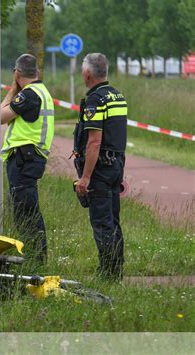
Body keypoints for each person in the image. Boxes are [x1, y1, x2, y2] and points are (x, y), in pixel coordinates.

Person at [73, 53, 127, 281]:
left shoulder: (96, 100)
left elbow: (94, 141)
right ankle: (116, 270)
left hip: (100, 169)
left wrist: (85, 177)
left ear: (87, 74)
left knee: (102, 223)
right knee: (113, 221)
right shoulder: (117, 96)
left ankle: (108, 274)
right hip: (116, 164)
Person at [0, 54, 55, 264]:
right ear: (37, 72)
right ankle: (34, 257)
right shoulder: (42, 91)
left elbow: (1, 116)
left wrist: (12, 91)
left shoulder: (29, 94)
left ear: (17, 73)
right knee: (26, 208)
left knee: (26, 211)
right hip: (30, 158)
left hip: (24, 158)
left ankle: (36, 259)